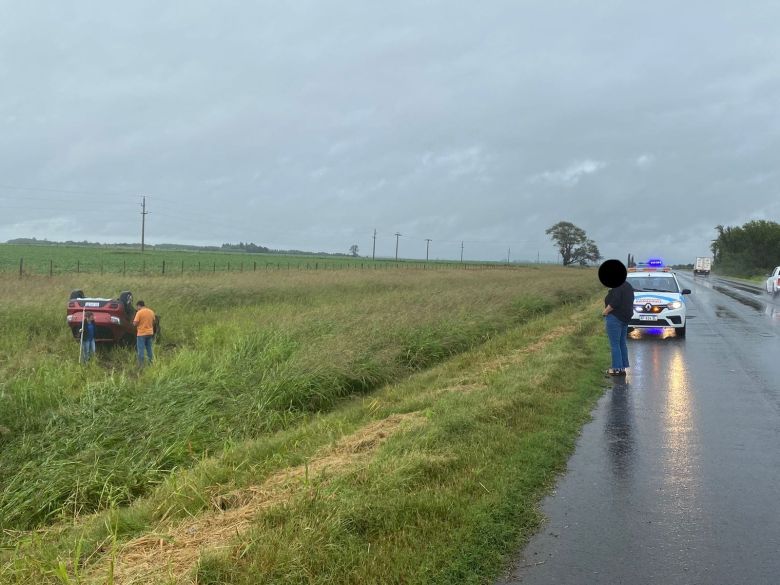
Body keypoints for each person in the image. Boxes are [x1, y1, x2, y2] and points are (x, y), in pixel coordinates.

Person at [603, 277, 635, 376]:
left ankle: (616, 369)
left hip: (615, 318)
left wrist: (605, 312)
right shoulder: (628, 286)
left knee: (615, 344)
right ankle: (622, 368)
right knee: (622, 343)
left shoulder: (618, 286)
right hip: (625, 318)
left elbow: (615, 302)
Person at [133, 300, 156, 367]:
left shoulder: (139, 312)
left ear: (139, 305)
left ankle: (141, 365)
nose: (137, 308)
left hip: (141, 334)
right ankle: (151, 364)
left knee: (141, 350)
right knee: (149, 349)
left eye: (137, 307)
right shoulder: (151, 312)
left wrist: (134, 323)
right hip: (150, 333)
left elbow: (135, 323)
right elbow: (154, 322)